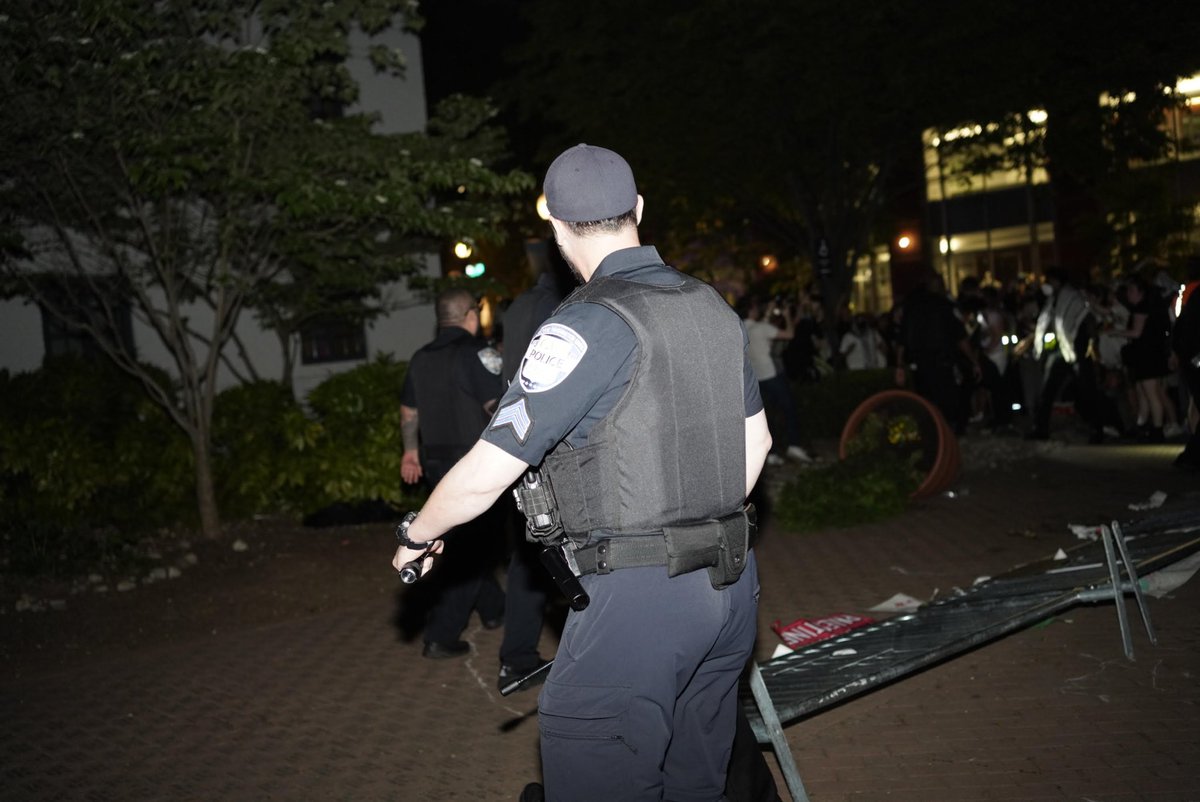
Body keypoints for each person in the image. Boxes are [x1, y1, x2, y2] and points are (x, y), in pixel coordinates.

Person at [392, 144, 772, 801]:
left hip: (638, 603)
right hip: (731, 587)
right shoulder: (709, 305)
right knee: (697, 785)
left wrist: (419, 532)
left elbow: (488, 470)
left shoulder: (586, 325)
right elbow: (758, 442)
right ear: (639, 211)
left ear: (560, 230)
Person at [399, 288, 506, 658]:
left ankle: (495, 610)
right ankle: (441, 636)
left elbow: (409, 413)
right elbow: (497, 407)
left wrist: (410, 453)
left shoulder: (419, 358)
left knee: (471, 542)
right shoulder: (477, 353)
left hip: (435, 466)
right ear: (470, 316)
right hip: (474, 467)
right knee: (474, 553)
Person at [494, 251, 574, 692]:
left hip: (519, 443)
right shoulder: (562, 309)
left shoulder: (518, 305)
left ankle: (518, 656)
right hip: (552, 447)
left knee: (532, 554)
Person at [894, 270, 980, 434]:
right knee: (949, 400)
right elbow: (960, 337)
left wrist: (899, 365)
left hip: (921, 364)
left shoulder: (913, 306)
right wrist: (973, 361)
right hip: (942, 363)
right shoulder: (944, 306)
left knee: (928, 402)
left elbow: (902, 339)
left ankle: (934, 434)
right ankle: (947, 434)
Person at [743, 296, 815, 464]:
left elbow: (765, 327)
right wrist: (787, 316)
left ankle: (771, 453)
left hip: (756, 377)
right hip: (771, 374)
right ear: (751, 310)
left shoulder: (741, 327)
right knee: (789, 409)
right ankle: (794, 446)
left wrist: (769, 312)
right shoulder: (762, 328)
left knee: (766, 415)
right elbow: (789, 334)